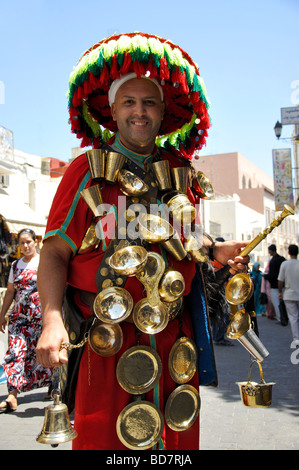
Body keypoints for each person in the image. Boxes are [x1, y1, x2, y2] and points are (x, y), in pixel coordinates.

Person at [36, 32, 250, 450]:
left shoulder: (181, 173)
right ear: (112, 111)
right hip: (105, 341)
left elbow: (186, 242)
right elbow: (55, 252)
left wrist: (213, 251)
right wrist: (52, 319)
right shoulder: (84, 173)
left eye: (148, 102)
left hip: (174, 341)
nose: (139, 111)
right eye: (129, 102)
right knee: (106, 445)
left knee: (176, 447)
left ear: (163, 111)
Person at [0, 229, 52, 413]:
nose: (25, 246)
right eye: (21, 243)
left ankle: (52, 384)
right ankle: (12, 395)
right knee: (16, 352)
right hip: (19, 319)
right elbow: (10, 292)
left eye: (28, 242)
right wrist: (2, 315)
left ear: (36, 241)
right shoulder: (15, 265)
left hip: (41, 317)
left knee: (43, 352)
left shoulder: (45, 262)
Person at [278, 245, 299, 346]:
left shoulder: (285, 264)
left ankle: (296, 338)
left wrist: (280, 292)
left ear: (289, 252)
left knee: (293, 317)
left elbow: (280, 280)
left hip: (289, 294)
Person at [264, 244, 285, 322]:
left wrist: (265, 276)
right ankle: (285, 317)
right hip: (283, 284)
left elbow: (272, 275)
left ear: (271, 251)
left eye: (269, 251)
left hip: (274, 285)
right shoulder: (282, 259)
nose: (269, 252)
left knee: (276, 303)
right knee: (283, 302)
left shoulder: (273, 261)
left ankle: (280, 318)